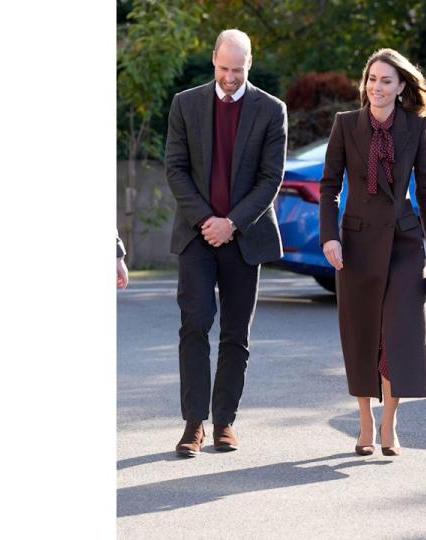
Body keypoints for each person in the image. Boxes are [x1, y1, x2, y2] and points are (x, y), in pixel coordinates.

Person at [319, 48, 426, 457]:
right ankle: (364, 421)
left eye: (386, 81)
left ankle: (390, 423)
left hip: (403, 242)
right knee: (362, 335)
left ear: (400, 88)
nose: (376, 87)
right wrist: (330, 237)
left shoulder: (415, 126)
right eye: (371, 79)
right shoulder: (346, 125)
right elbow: (329, 186)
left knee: (397, 334)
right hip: (356, 244)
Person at [164, 29, 287, 457]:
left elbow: (271, 178)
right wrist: (207, 220)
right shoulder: (186, 104)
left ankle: (224, 423)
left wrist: (232, 223)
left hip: (244, 237)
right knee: (194, 324)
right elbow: (175, 169)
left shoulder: (272, 110)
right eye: (223, 68)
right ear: (213, 60)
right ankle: (193, 424)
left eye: (237, 70)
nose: (230, 77)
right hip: (196, 236)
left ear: (249, 63)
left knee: (236, 334)